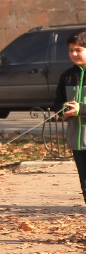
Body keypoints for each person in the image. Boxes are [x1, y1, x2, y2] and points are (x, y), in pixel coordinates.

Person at [53, 28, 86, 204]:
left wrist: (81, 109)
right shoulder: (67, 76)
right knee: (85, 184)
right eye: (71, 50)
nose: (73, 54)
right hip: (77, 141)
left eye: (78, 50)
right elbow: (57, 103)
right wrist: (63, 110)